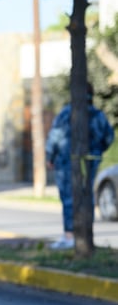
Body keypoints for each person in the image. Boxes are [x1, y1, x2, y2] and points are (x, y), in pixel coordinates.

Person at [45, 82, 115, 249]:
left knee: (69, 197)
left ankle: (70, 235)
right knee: (87, 197)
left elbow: (54, 137)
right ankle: (84, 234)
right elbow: (108, 137)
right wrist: (97, 151)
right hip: (90, 160)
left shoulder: (66, 114)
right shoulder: (98, 115)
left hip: (66, 161)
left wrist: (50, 156)